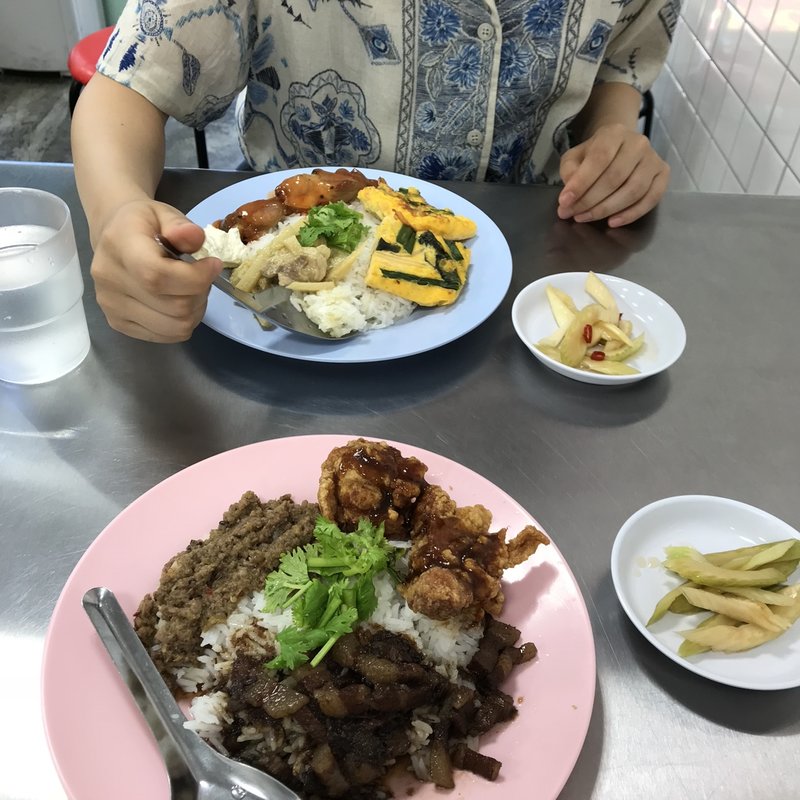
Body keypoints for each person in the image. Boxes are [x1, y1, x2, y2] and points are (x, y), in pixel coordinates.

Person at [72, 0, 680, 343]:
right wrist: (117, 210)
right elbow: (126, 86)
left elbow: (622, 59)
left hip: (538, 280)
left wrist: (613, 134)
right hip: (268, 312)